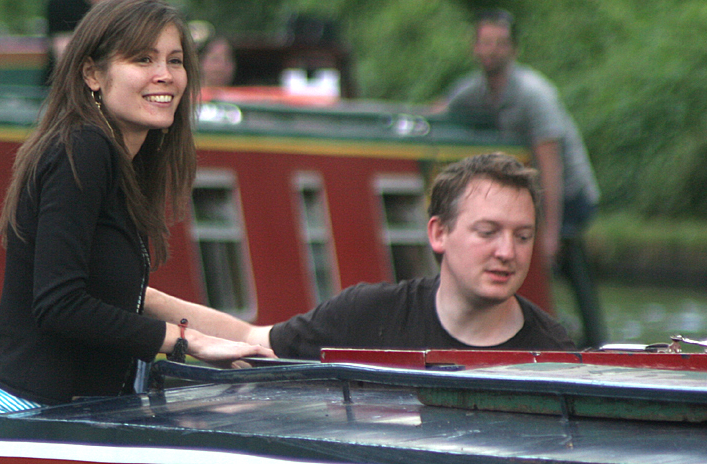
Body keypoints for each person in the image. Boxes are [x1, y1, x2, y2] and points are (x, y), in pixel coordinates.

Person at [0, 0, 272, 464]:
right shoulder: (84, 148)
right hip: (18, 447)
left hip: (53, 444)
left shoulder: (114, 157)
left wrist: (253, 337)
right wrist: (185, 344)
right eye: (142, 59)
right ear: (92, 74)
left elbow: (125, 296)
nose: (165, 76)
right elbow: (61, 304)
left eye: (175, 60)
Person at [146, 152, 577, 356]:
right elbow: (249, 339)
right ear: (438, 233)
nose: (508, 252)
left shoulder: (555, 354)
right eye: (488, 232)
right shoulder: (368, 314)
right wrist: (143, 299)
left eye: (523, 236)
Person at [438, 10, 605, 347]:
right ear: (474, 47)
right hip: (528, 196)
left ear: (513, 50)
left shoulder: (534, 95)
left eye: (500, 44)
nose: (491, 50)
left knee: (560, 261)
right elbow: (441, 110)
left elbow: (550, 164)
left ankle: (587, 341)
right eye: (485, 43)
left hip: (567, 195)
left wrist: (551, 232)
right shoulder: (474, 91)